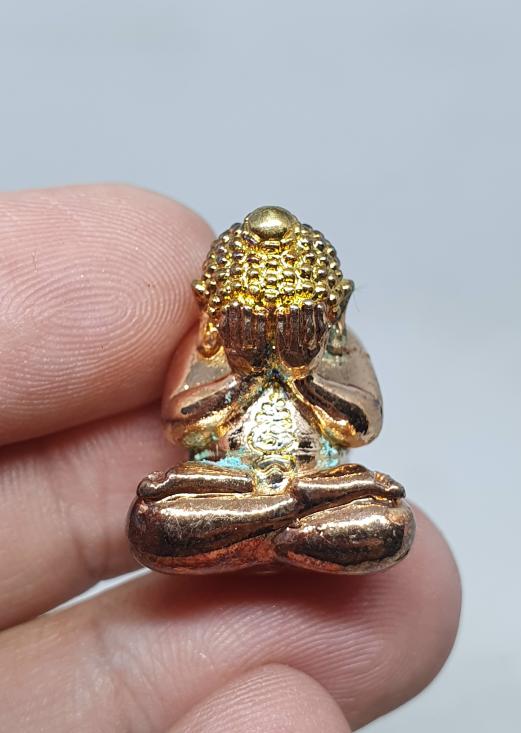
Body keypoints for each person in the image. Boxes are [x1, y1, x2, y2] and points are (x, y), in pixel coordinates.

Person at [0, 185, 461, 732]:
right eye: (249, 322)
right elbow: (182, 422)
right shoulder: (207, 348)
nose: (271, 334)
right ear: (213, 308)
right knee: (153, 522)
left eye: (297, 322)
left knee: (390, 523)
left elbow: (362, 425)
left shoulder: (338, 347)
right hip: (234, 487)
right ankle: (282, 521)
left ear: (334, 306)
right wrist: (240, 378)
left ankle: (260, 527)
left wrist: (303, 376)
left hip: (317, 482)